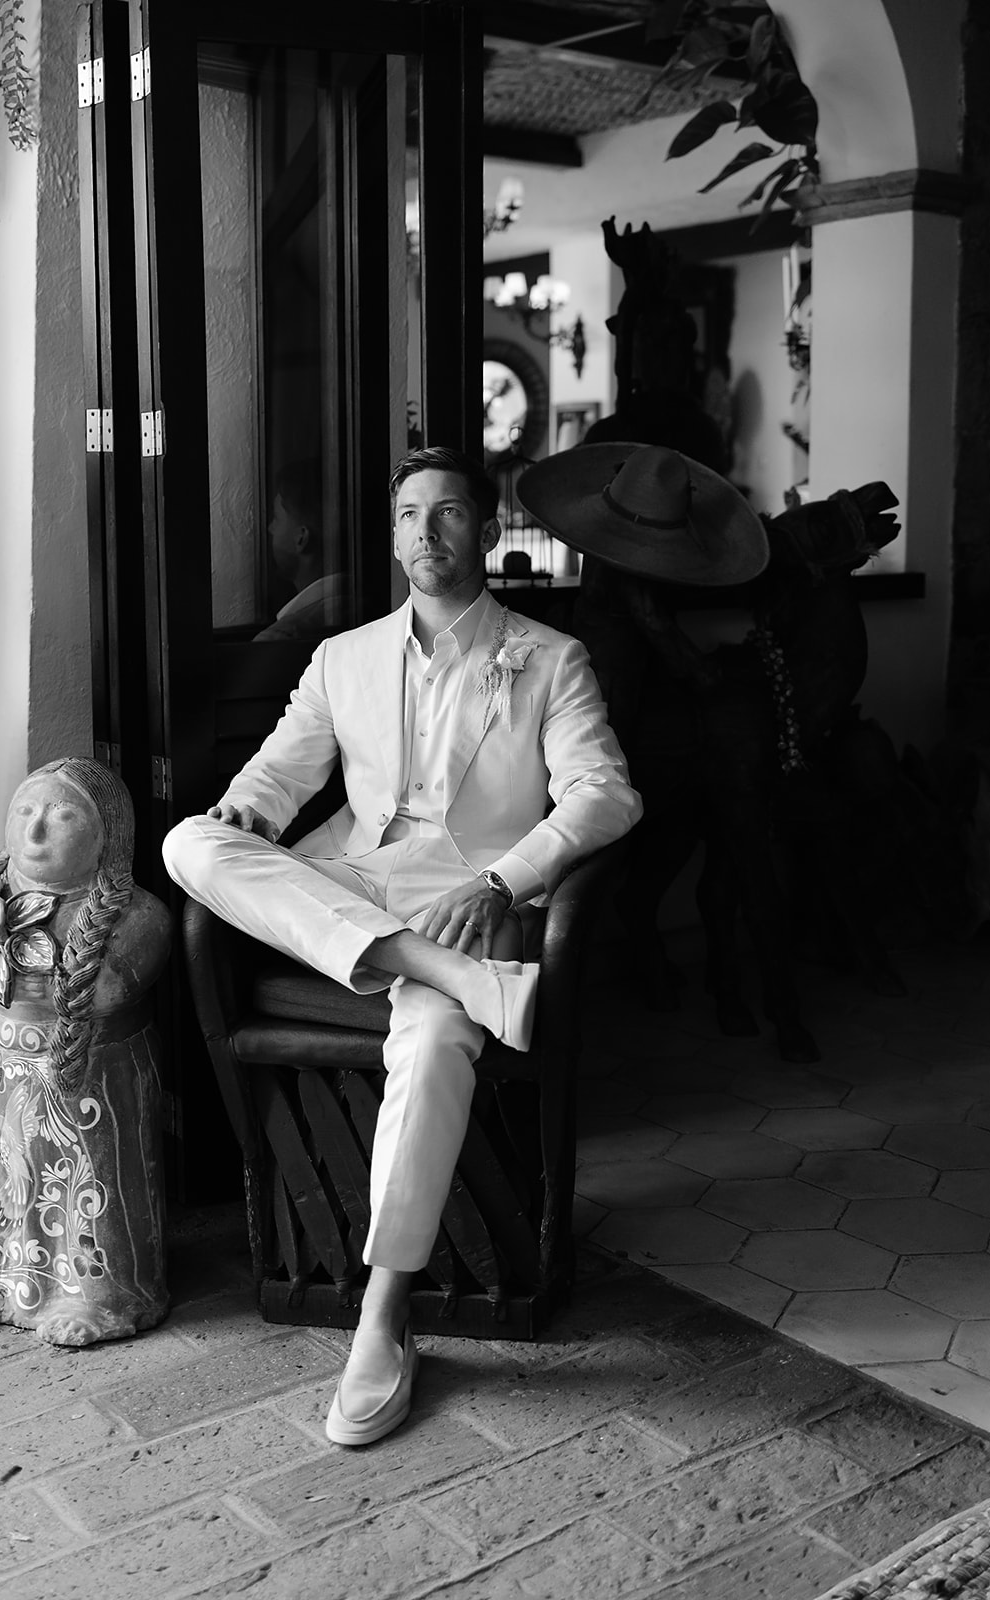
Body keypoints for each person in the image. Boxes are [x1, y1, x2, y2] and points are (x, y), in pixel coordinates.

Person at [163, 445, 641, 1446]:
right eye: (409, 516)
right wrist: (244, 811)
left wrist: (505, 880)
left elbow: (606, 794)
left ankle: (383, 1317)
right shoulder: (343, 657)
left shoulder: (551, 659)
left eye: (449, 515)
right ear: (390, 536)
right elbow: (275, 781)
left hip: (472, 895)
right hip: (355, 885)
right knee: (185, 841)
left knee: (429, 1045)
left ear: (488, 529)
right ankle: (460, 982)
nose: (425, 535)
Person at [0, 758, 172, 1347]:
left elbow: (107, 989)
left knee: (84, 1185)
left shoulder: (134, 913)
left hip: (91, 1079)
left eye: (62, 815)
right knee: (0, 1176)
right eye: (26, 812)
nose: (36, 831)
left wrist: (10, 966)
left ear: (105, 835)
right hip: (4, 1068)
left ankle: (96, 1292)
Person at [254, 459, 346, 642]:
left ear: (301, 538)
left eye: (277, 518)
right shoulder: (358, 605)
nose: (270, 528)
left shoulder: (279, 638)